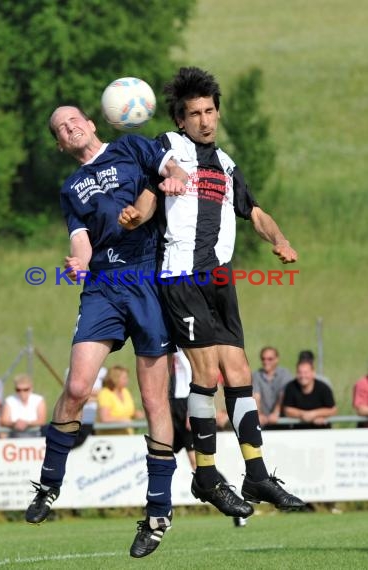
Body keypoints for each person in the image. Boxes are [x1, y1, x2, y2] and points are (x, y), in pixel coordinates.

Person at [119, 66, 305, 519]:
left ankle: (256, 472)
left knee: (238, 369)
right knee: (207, 371)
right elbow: (150, 188)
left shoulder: (226, 165)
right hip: (180, 275)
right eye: (194, 113)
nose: (203, 119)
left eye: (209, 111)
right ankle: (205, 472)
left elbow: (254, 211)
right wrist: (138, 215)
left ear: (217, 113)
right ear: (180, 119)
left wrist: (278, 239)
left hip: (219, 277)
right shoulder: (168, 147)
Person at [24, 104, 187, 559]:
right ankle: (49, 485)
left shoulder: (130, 146)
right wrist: (77, 260)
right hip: (102, 286)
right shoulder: (71, 187)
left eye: (74, 119)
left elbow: (169, 168)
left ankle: (158, 513)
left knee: (155, 400)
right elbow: (80, 236)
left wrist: (172, 178)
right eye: (60, 127)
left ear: (92, 124)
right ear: (60, 143)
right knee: (76, 387)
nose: (69, 126)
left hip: (145, 279)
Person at [170, 348, 247, 528]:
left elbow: (194, 372)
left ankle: (236, 505)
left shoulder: (184, 343)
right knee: (160, 457)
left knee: (199, 465)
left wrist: (192, 408)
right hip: (168, 404)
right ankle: (160, 513)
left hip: (184, 405)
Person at [282, 360, 337, 428]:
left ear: (313, 373)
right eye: (299, 372)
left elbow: (333, 410)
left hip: (322, 431)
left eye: (306, 372)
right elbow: (287, 410)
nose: (302, 376)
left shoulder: (323, 388)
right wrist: (303, 415)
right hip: (299, 432)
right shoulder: (291, 387)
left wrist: (314, 414)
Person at [252, 347, 293, 429]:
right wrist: (258, 414)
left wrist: (276, 413)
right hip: (263, 421)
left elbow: (283, 395)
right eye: (263, 359)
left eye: (270, 359)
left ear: (277, 359)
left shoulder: (285, 374)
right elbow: (256, 396)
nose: (266, 362)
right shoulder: (256, 375)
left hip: (282, 421)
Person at [97, 365, 144, 434]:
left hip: (127, 436)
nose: (127, 380)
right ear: (115, 379)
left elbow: (128, 412)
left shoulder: (125, 391)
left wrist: (135, 414)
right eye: (124, 378)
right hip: (110, 438)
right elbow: (105, 418)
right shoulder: (105, 393)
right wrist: (122, 420)